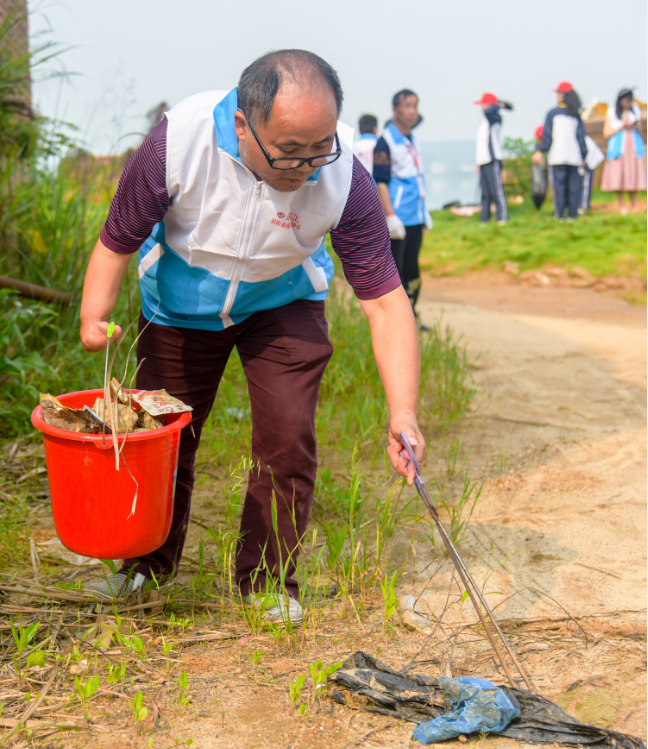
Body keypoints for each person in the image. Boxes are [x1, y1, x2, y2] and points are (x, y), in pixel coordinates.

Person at [79, 50, 427, 624]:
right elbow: (119, 234)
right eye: (289, 151)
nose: (307, 167)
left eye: (321, 148)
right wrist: (96, 316)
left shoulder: (345, 178)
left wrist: (404, 412)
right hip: (179, 305)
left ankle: (266, 581)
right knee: (162, 440)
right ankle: (144, 565)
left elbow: (387, 303)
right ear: (244, 124)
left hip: (283, 302)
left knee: (287, 440)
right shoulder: (179, 141)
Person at [372, 89, 430, 320]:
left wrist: (424, 212)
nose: (412, 111)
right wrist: (390, 215)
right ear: (395, 110)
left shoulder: (412, 139)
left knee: (413, 269)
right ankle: (399, 319)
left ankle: (412, 315)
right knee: (398, 270)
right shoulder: (385, 141)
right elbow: (381, 181)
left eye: (415, 106)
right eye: (407, 106)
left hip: (415, 216)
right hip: (398, 218)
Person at [532, 82, 587, 221]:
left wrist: (540, 150)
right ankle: (573, 215)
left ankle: (560, 215)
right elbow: (581, 138)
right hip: (574, 157)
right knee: (573, 187)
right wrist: (583, 154)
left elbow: (547, 136)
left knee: (559, 187)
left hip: (557, 156)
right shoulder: (576, 115)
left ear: (562, 95)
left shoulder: (552, 113)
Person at [601, 88, 647, 213]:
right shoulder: (611, 112)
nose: (628, 103)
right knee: (618, 175)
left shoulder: (635, 111)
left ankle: (634, 204)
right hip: (618, 148)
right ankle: (621, 205)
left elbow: (641, 129)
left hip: (633, 146)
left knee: (633, 175)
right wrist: (622, 125)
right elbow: (606, 133)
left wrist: (635, 124)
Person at [473, 92, 513, 225]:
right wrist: (478, 164)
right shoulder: (484, 123)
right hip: (483, 162)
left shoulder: (494, 119)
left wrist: (498, 104)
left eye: (483, 105)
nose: (481, 108)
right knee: (485, 193)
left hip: (493, 160)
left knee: (497, 191)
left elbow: (490, 111)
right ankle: (484, 219)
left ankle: (502, 218)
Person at [580, 135, 605, 213]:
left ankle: (584, 207)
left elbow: (587, 151)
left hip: (590, 160)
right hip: (582, 160)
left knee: (585, 184)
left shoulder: (582, 138)